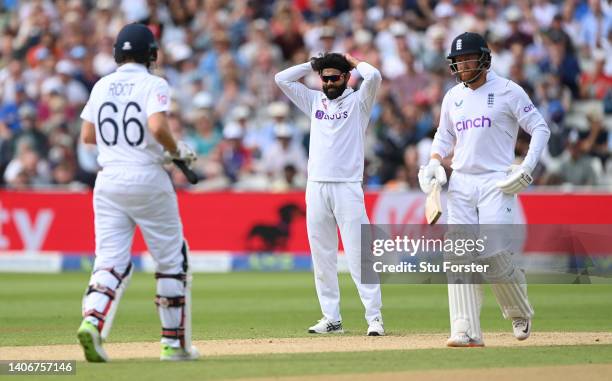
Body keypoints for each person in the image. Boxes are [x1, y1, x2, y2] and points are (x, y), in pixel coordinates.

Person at [418, 32, 550, 347]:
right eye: (458, 60)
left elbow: (540, 128)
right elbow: (444, 135)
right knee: (458, 255)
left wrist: (526, 167)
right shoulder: (453, 97)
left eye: (468, 58)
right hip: (461, 182)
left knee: (494, 255)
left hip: (496, 180)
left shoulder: (508, 91)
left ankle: (519, 312)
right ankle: (465, 329)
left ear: (484, 59)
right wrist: (435, 161)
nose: (462, 65)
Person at [76, 23, 198, 362]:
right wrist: (175, 151)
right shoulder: (154, 83)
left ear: (118, 53)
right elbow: (157, 125)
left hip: (109, 179)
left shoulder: (101, 85)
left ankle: (92, 321)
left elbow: (88, 135)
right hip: (146, 178)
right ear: (152, 55)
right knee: (172, 261)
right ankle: (173, 345)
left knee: (109, 262)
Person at [275, 52, 384, 336]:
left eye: (335, 77)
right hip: (316, 186)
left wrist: (352, 59)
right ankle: (331, 318)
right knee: (322, 256)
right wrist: (312, 65)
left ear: (347, 77)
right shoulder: (314, 101)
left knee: (360, 255)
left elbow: (374, 76)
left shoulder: (359, 101)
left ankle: (374, 318)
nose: (329, 82)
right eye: (324, 78)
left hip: (347, 186)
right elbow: (281, 78)